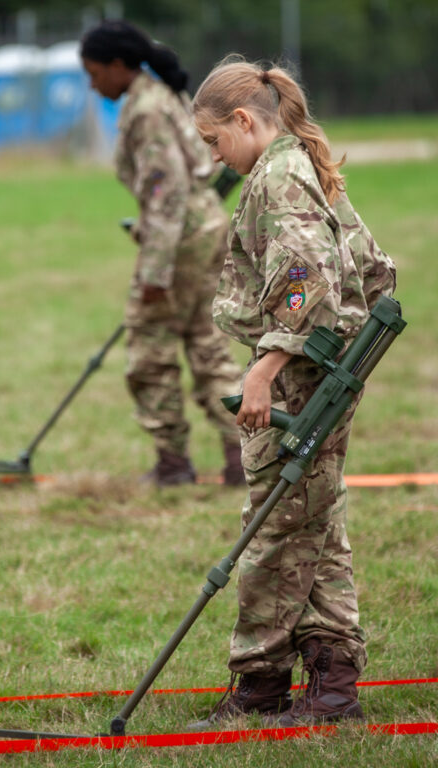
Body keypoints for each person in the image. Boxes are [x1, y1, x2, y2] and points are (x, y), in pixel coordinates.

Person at [189, 57, 396, 726]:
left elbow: (310, 284)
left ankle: (259, 686)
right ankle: (333, 684)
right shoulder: (295, 164)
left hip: (306, 372)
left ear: (244, 121)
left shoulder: (280, 174)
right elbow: (365, 271)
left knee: (276, 531)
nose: (215, 157)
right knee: (316, 523)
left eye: (215, 141)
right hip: (323, 366)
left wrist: (264, 368)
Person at [80, 21, 245, 487]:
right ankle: (240, 459)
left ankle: (173, 465)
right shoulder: (158, 94)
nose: (93, 85)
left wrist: (154, 272)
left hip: (178, 238)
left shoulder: (147, 108)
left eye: (94, 73)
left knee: (150, 352)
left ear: (117, 65)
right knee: (207, 345)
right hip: (202, 226)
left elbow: (166, 191)